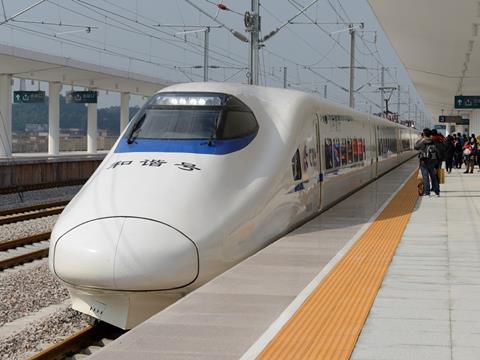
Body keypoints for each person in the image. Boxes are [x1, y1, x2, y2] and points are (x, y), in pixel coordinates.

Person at [415, 128, 440, 196]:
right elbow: (437, 153)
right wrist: (437, 164)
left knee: (425, 177)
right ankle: (437, 191)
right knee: (433, 177)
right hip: (432, 162)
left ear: (424, 134)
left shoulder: (423, 142)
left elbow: (416, 147)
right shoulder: (433, 141)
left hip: (424, 162)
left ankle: (427, 192)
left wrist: (422, 139)